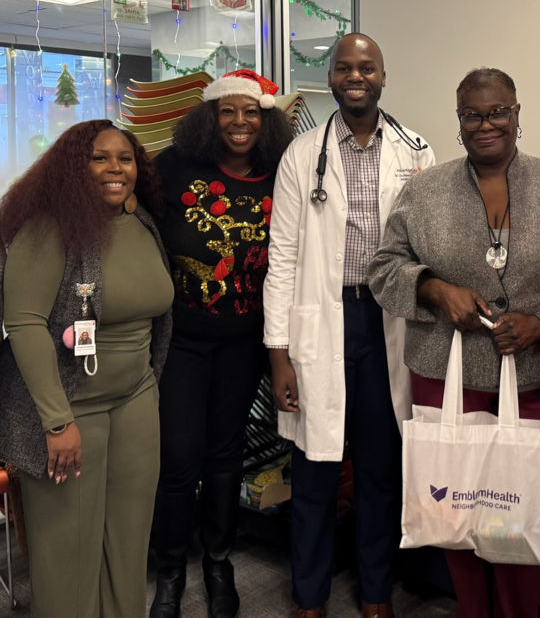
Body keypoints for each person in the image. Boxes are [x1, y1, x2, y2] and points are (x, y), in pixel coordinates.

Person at [368, 67, 540, 618]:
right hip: (446, 378)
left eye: (498, 112)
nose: (486, 124)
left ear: (517, 113)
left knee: (526, 508)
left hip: (534, 378)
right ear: (458, 121)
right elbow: (384, 268)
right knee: (457, 507)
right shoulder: (424, 190)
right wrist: (434, 289)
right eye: (472, 115)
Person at [264, 32, 435, 618]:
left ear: (383, 77)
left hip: (387, 320)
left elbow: (427, 249)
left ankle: (376, 592)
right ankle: (309, 598)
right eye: (344, 67)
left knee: (380, 467)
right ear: (331, 77)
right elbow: (281, 259)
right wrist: (278, 353)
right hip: (321, 322)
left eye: (367, 67)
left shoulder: (417, 152)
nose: (355, 76)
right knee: (314, 470)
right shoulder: (300, 154)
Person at [0, 120, 173, 617]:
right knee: (67, 555)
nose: (116, 169)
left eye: (126, 158)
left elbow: (157, 317)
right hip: (68, 410)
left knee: (128, 542)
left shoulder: (142, 224)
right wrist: (57, 422)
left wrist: (150, 388)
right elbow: (25, 324)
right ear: (74, 166)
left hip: (137, 398)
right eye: (100, 157)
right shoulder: (46, 227)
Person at [148, 70, 294, 618]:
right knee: (179, 460)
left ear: (267, 119)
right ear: (209, 117)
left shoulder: (281, 173)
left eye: (251, 112)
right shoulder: (174, 169)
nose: (239, 123)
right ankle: (168, 573)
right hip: (182, 341)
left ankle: (218, 563)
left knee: (225, 456)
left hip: (244, 343)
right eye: (228, 111)